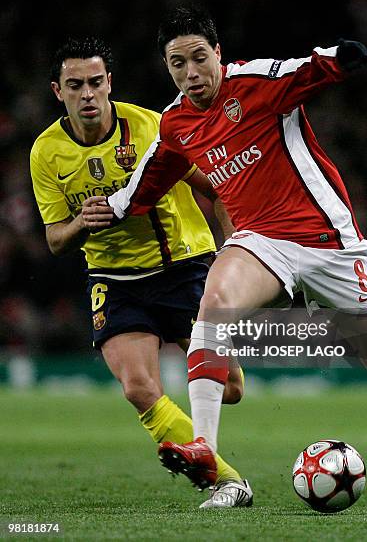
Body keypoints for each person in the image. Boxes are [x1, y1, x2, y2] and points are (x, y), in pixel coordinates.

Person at [82, 7, 367, 497]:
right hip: (261, 240)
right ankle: (204, 444)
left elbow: (304, 69)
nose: (191, 74)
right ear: (167, 67)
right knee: (215, 301)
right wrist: (114, 207)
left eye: (199, 58)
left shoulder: (254, 83)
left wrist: (340, 57)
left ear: (218, 53)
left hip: (329, 241)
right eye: (177, 64)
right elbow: (152, 175)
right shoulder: (177, 122)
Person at [29, 36, 253, 509]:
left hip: (183, 266)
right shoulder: (45, 152)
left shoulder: (151, 127)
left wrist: (235, 243)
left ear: (109, 83)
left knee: (230, 388)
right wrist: (79, 225)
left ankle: (193, 433)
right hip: (115, 280)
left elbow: (213, 182)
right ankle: (228, 481)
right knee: (138, 387)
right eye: (75, 86)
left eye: (94, 82)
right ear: (58, 91)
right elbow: (54, 239)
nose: (87, 94)